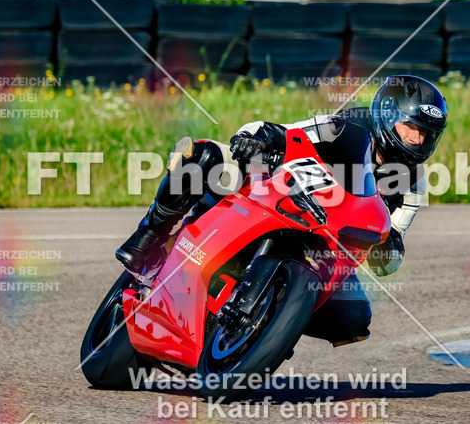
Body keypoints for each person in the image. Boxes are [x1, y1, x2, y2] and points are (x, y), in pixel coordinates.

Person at [116, 75, 448, 346]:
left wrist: (389, 249)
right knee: (203, 158)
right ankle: (150, 233)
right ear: (389, 117)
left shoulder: (412, 184)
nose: (419, 140)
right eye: (413, 128)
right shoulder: (343, 126)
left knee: (355, 318)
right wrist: (260, 137)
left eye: (427, 135)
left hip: (322, 247)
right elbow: (289, 133)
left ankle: (268, 328)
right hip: (274, 196)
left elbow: (394, 236)